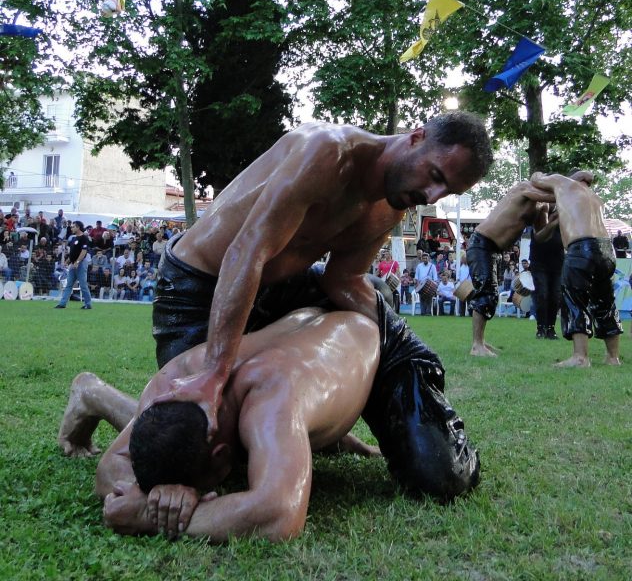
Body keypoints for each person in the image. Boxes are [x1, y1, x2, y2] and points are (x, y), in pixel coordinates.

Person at [150, 114, 492, 437]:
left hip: (279, 290)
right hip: (199, 287)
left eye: (447, 192)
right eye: (435, 176)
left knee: (377, 299)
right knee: (199, 430)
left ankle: (328, 431)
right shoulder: (329, 152)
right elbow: (246, 252)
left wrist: (405, 343)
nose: (431, 196)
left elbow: (342, 281)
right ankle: (96, 395)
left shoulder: (392, 206)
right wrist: (214, 373)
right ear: (416, 138)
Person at [59, 298, 479, 542]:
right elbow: (109, 469)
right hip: (297, 319)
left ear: (225, 459)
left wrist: (149, 517)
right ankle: (91, 391)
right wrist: (155, 491)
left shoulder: (272, 394)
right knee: (182, 442)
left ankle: (95, 394)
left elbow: (280, 514)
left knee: (437, 473)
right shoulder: (172, 384)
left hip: (372, 325)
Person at [530, 171, 623, 367]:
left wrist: (541, 174)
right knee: (606, 302)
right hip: (607, 250)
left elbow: (536, 180)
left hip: (581, 248)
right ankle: (613, 357)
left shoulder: (563, 184)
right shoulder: (594, 198)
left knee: (574, 299)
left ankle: (580, 357)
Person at [467, 180, 554, 356]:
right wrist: (567, 192)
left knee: (491, 294)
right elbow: (550, 194)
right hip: (481, 242)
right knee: (486, 292)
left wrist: (555, 221)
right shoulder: (525, 188)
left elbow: (541, 236)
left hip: (495, 250)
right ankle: (476, 345)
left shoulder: (542, 207)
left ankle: (480, 342)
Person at [530, 204, 564, 339]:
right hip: (539, 262)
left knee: (555, 296)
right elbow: (538, 236)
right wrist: (554, 221)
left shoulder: (563, 215)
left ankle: (551, 328)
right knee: (542, 294)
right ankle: (541, 328)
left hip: (558, 263)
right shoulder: (537, 214)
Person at [54, 221, 93, 310]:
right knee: (69, 285)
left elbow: (83, 252)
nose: (71, 228)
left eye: (73, 227)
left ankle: (88, 304)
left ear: (78, 227)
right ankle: (62, 303)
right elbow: (72, 253)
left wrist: (77, 262)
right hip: (73, 264)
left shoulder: (84, 238)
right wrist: (67, 262)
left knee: (83, 285)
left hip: (81, 264)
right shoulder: (73, 238)